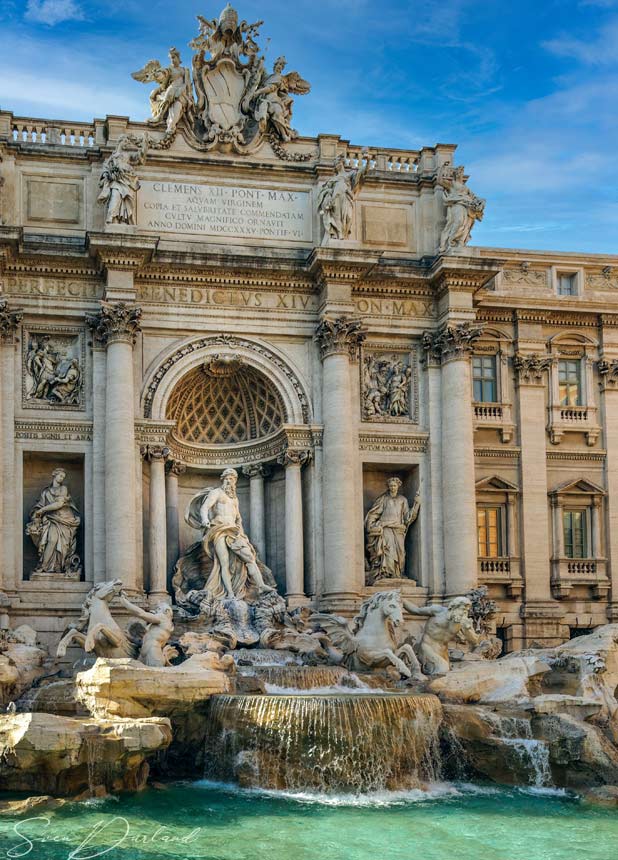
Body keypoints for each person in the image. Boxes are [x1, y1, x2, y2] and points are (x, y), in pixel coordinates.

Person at [185, 468, 275, 601]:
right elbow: (205, 507)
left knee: (250, 558)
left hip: (234, 532)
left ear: (235, 482)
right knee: (224, 563)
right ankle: (230, 593)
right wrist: (205, 519)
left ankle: (261, 586)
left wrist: (242, 534)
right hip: (219, 530)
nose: (229, 481)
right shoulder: (216, 493)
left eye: (231, 479)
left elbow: (238, 519)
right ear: (222, 480)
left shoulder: (234, 499)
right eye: (227, 478)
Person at [365, 478, 420, 582]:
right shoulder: (383, 499)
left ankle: (398, 573)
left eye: (394, 486)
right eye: (390, 486)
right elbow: (374, 513)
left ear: (398, 486)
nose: (392, 488)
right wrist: (371, 525)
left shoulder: (402, 500)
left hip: (398, 529)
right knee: (388, 550)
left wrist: (416, 505)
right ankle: (388, 574)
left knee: (401, 553)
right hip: (386, 528)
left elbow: (407, 517)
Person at [26, 469, 80, 574]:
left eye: (63, 477)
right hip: (51, 519)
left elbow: (59, 504)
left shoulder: (63, 489)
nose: (62, 479)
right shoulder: (46, 492)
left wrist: (42, 510)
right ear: (54, 475)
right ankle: (45, 566)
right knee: (51, 541)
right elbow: (39, 506)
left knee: (61, 544)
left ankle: (56, 566)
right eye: (60, 476)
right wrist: (36, 514)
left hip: (64, 519)